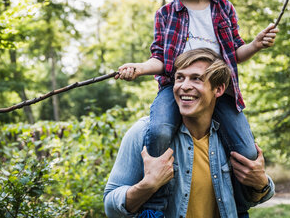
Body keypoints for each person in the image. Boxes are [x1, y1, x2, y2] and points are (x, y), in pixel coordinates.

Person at [115, 0, 278, 216]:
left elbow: (235, 52)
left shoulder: (224, 9)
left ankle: (239, 205)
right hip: (174, 87)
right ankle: (156, 203)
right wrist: (140, 68)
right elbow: (161, 59)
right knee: (159, 131)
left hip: (217, 91)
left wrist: (257, 44)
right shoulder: (166, 14)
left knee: (248, 151)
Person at [105, 49, 275, 218]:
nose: (184, 86)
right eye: (180, 78)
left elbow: (253, 197)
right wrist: (148, 185)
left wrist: (262, 183)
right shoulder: (143, 133)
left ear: (218, 89)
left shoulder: (231, 138)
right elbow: (110, 207)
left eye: (196, 79)